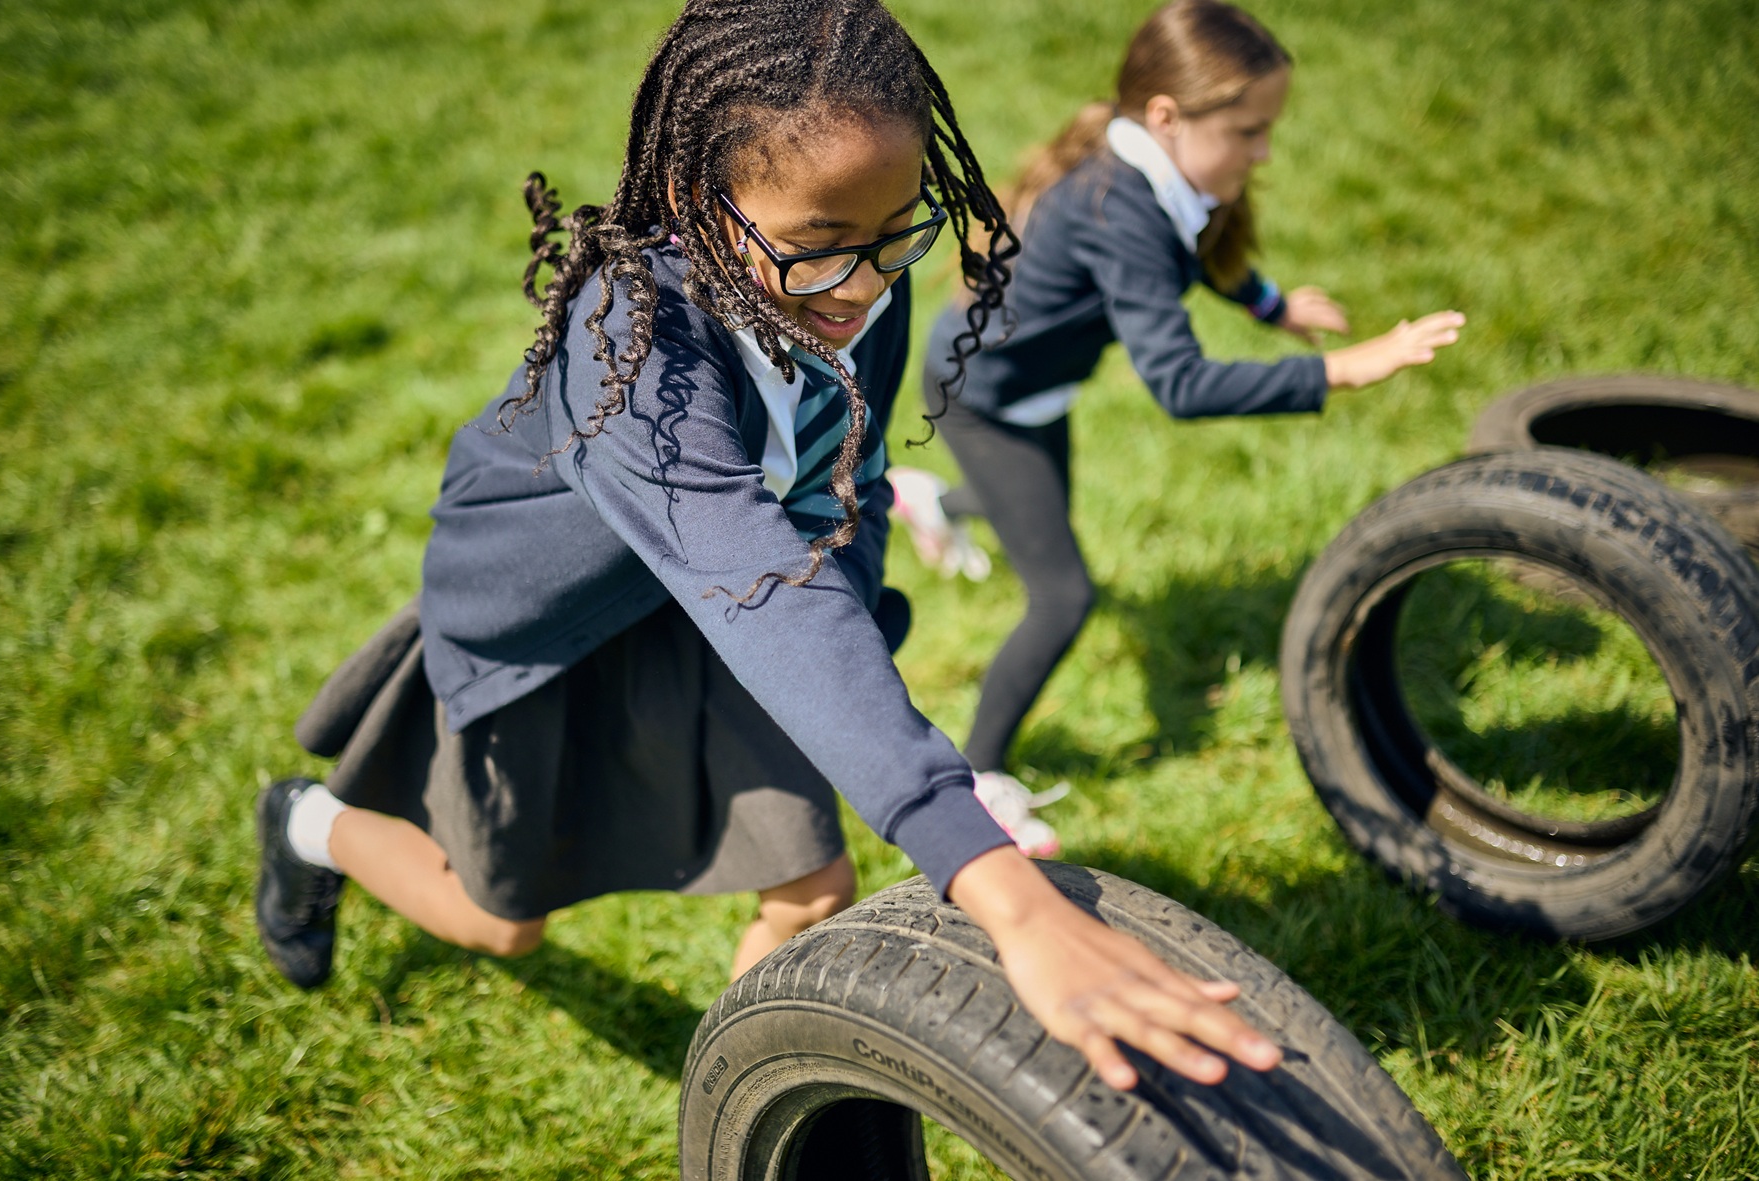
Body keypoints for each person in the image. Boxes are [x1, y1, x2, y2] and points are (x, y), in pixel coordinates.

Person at [255, 0, 1281, 1092]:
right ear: (702, 201)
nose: (867, 286)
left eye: (900, 236)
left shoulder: (851, 273)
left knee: (810, 884)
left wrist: (871, 663)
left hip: (718, 600)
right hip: (548, 633)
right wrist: (1001, 888)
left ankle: (734, 1110)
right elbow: (754, 580)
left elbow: (853, 481)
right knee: (500, 920)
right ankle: (307, 821)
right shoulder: (629, 350)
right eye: (821, 250)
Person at [894, 0, 1465, 799]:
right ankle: (974, 781)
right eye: (1248, 131)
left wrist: (1273, 307)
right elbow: (1182, 384)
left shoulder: (1152, 173)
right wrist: (1341, 369)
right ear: (1166, 117)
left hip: (1028, 385)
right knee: (1062, 594)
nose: (1263, 152)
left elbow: (1198, 251)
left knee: (1034, 512)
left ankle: (925, 499)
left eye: (1268, 129)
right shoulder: (1117, 208)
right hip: (981, 397)